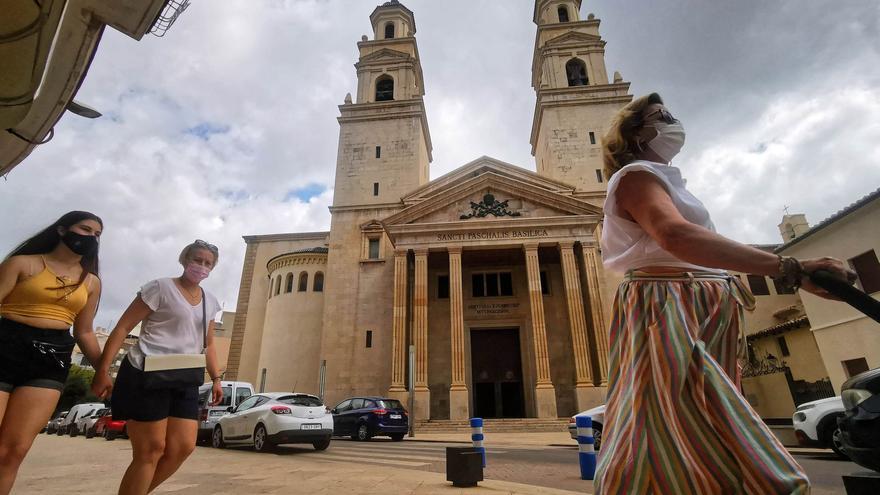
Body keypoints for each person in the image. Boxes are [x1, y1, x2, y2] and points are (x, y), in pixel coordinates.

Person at [593, 93, 856, 494]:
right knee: (696, 424)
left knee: (673, 430)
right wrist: (790, 268)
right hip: (670, 307)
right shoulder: (635, 177)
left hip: (698, 307)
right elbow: (675, 235)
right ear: (635, 134)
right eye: (659, 116)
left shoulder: (667, 181)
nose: (671, 121)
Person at [92, 240, 223, 495]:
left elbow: (208, 343)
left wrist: (216, 378)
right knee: (151, 449)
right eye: (197, 260)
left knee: (183, 447)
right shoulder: (160, 287)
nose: (201, 266)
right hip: (148, 371)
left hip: (184, 375)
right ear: (185, 260)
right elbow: (122, 327)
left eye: (208, 263)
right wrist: (103, 370)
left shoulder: (211, 301)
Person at [0, 211, 105, 494]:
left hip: (53, 354)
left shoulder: (91, 282)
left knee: (13, 451)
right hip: (6, 342)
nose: (92, 237)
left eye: (97, 234)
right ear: (62, 230)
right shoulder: (22, 263)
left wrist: (103, 371)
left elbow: (84, 331)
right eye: (85, 229)